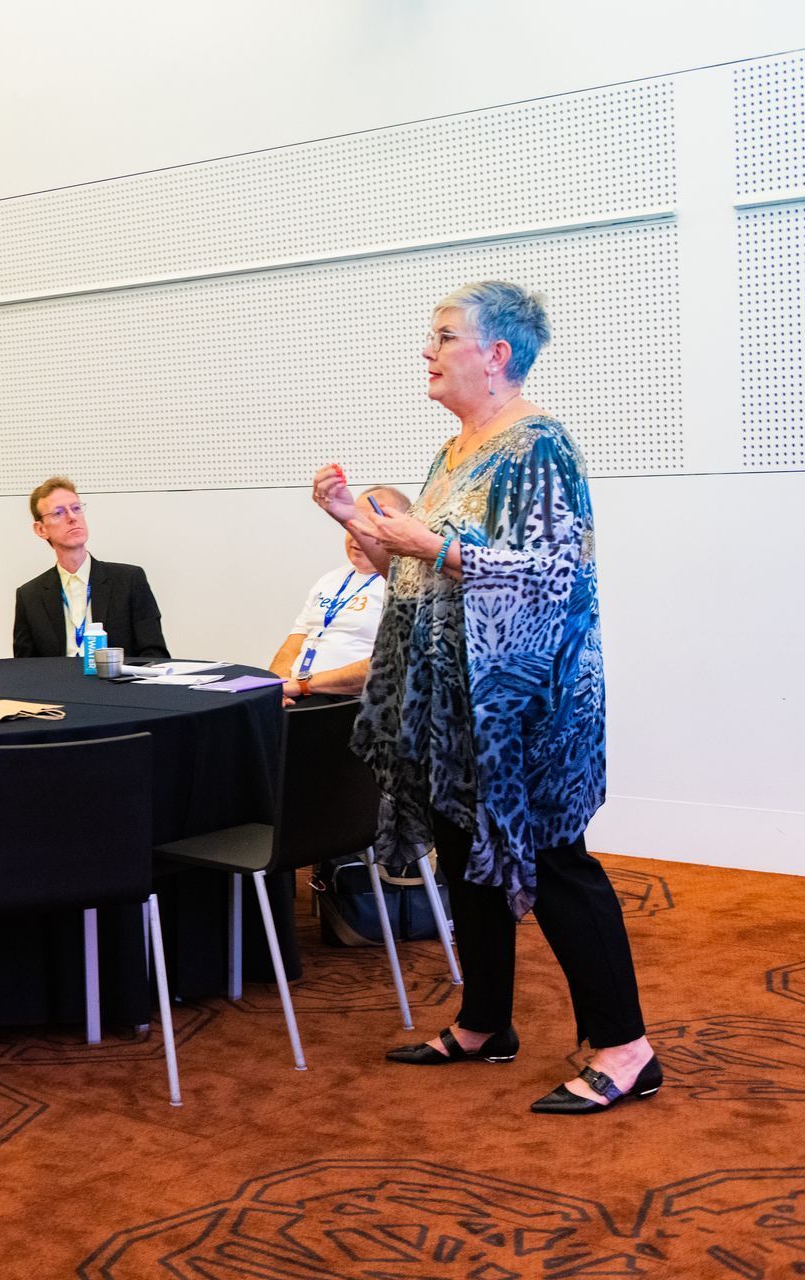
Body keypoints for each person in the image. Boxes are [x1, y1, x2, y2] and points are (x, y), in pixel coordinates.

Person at [314, 280, 654, 1115]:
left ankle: (627, 1047)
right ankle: (484, 1023)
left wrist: (425, 541)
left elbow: (551, 573)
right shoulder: (456, 449)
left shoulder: (539, 446)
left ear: (496, 355)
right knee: (467, 850)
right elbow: (424, 570)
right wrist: (356, 521)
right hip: (460, 701)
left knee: (556, 864)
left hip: (530, 703)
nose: (424, 352)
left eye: (441, 337)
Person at [267, 487, 409, 705]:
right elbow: (293, 645)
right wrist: (276, 687)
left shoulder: (403, 586)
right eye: (351, 524)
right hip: (298, 693)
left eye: (368, 526)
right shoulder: (329, 580)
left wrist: (304, 684)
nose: (355, 536)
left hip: (348, 701)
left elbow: (388, 664)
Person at [12, 477, 170, 663]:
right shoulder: (30, 596)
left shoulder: (129, 580)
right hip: (56, 689)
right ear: (41, 530)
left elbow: (155, 655)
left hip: (118, 687)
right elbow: (25, 668)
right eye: (59, 513)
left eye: (76, 508)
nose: (72, 517)